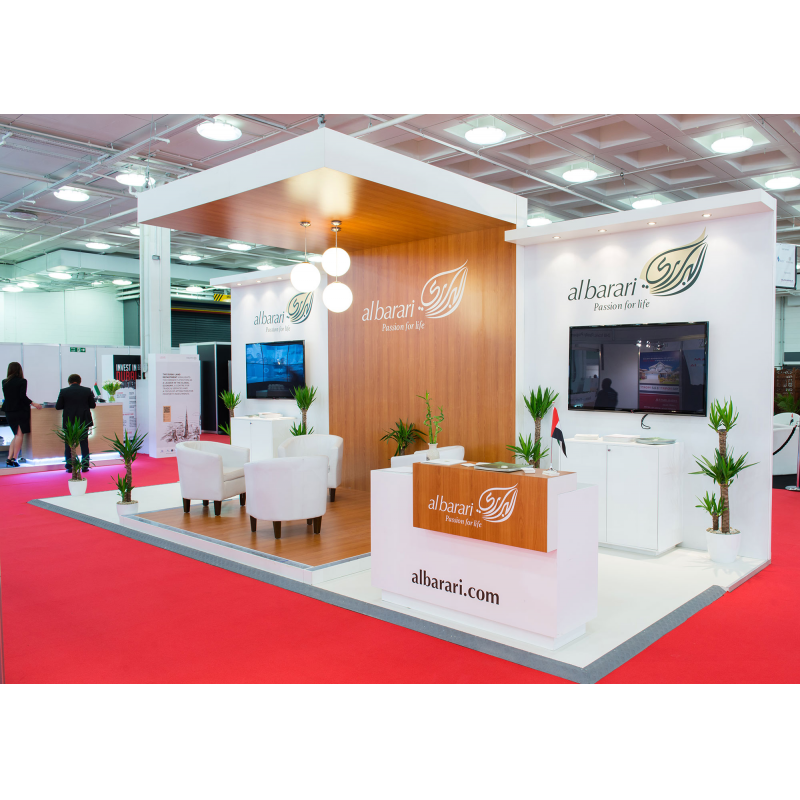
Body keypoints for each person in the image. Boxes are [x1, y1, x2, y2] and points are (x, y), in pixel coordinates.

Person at [2, 362, 42, 467]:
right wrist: (33, 403)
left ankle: (9, 458)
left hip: (8, 410)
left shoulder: (4, 382)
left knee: (16, 434)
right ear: (19, 370)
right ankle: (15, 459)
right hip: (19, 410)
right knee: (19, 434)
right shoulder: (22, 381)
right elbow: (22, 396)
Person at [56, 373, 96, 472]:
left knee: (69, 444)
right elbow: (92, 405)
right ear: (79, 381)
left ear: (69, 382)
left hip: (69, 422)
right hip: (83, 421)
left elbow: (58, 406)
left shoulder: (64, 391)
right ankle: (85, 466)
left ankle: (69, 466)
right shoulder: (87, 390)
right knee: (84, 443)